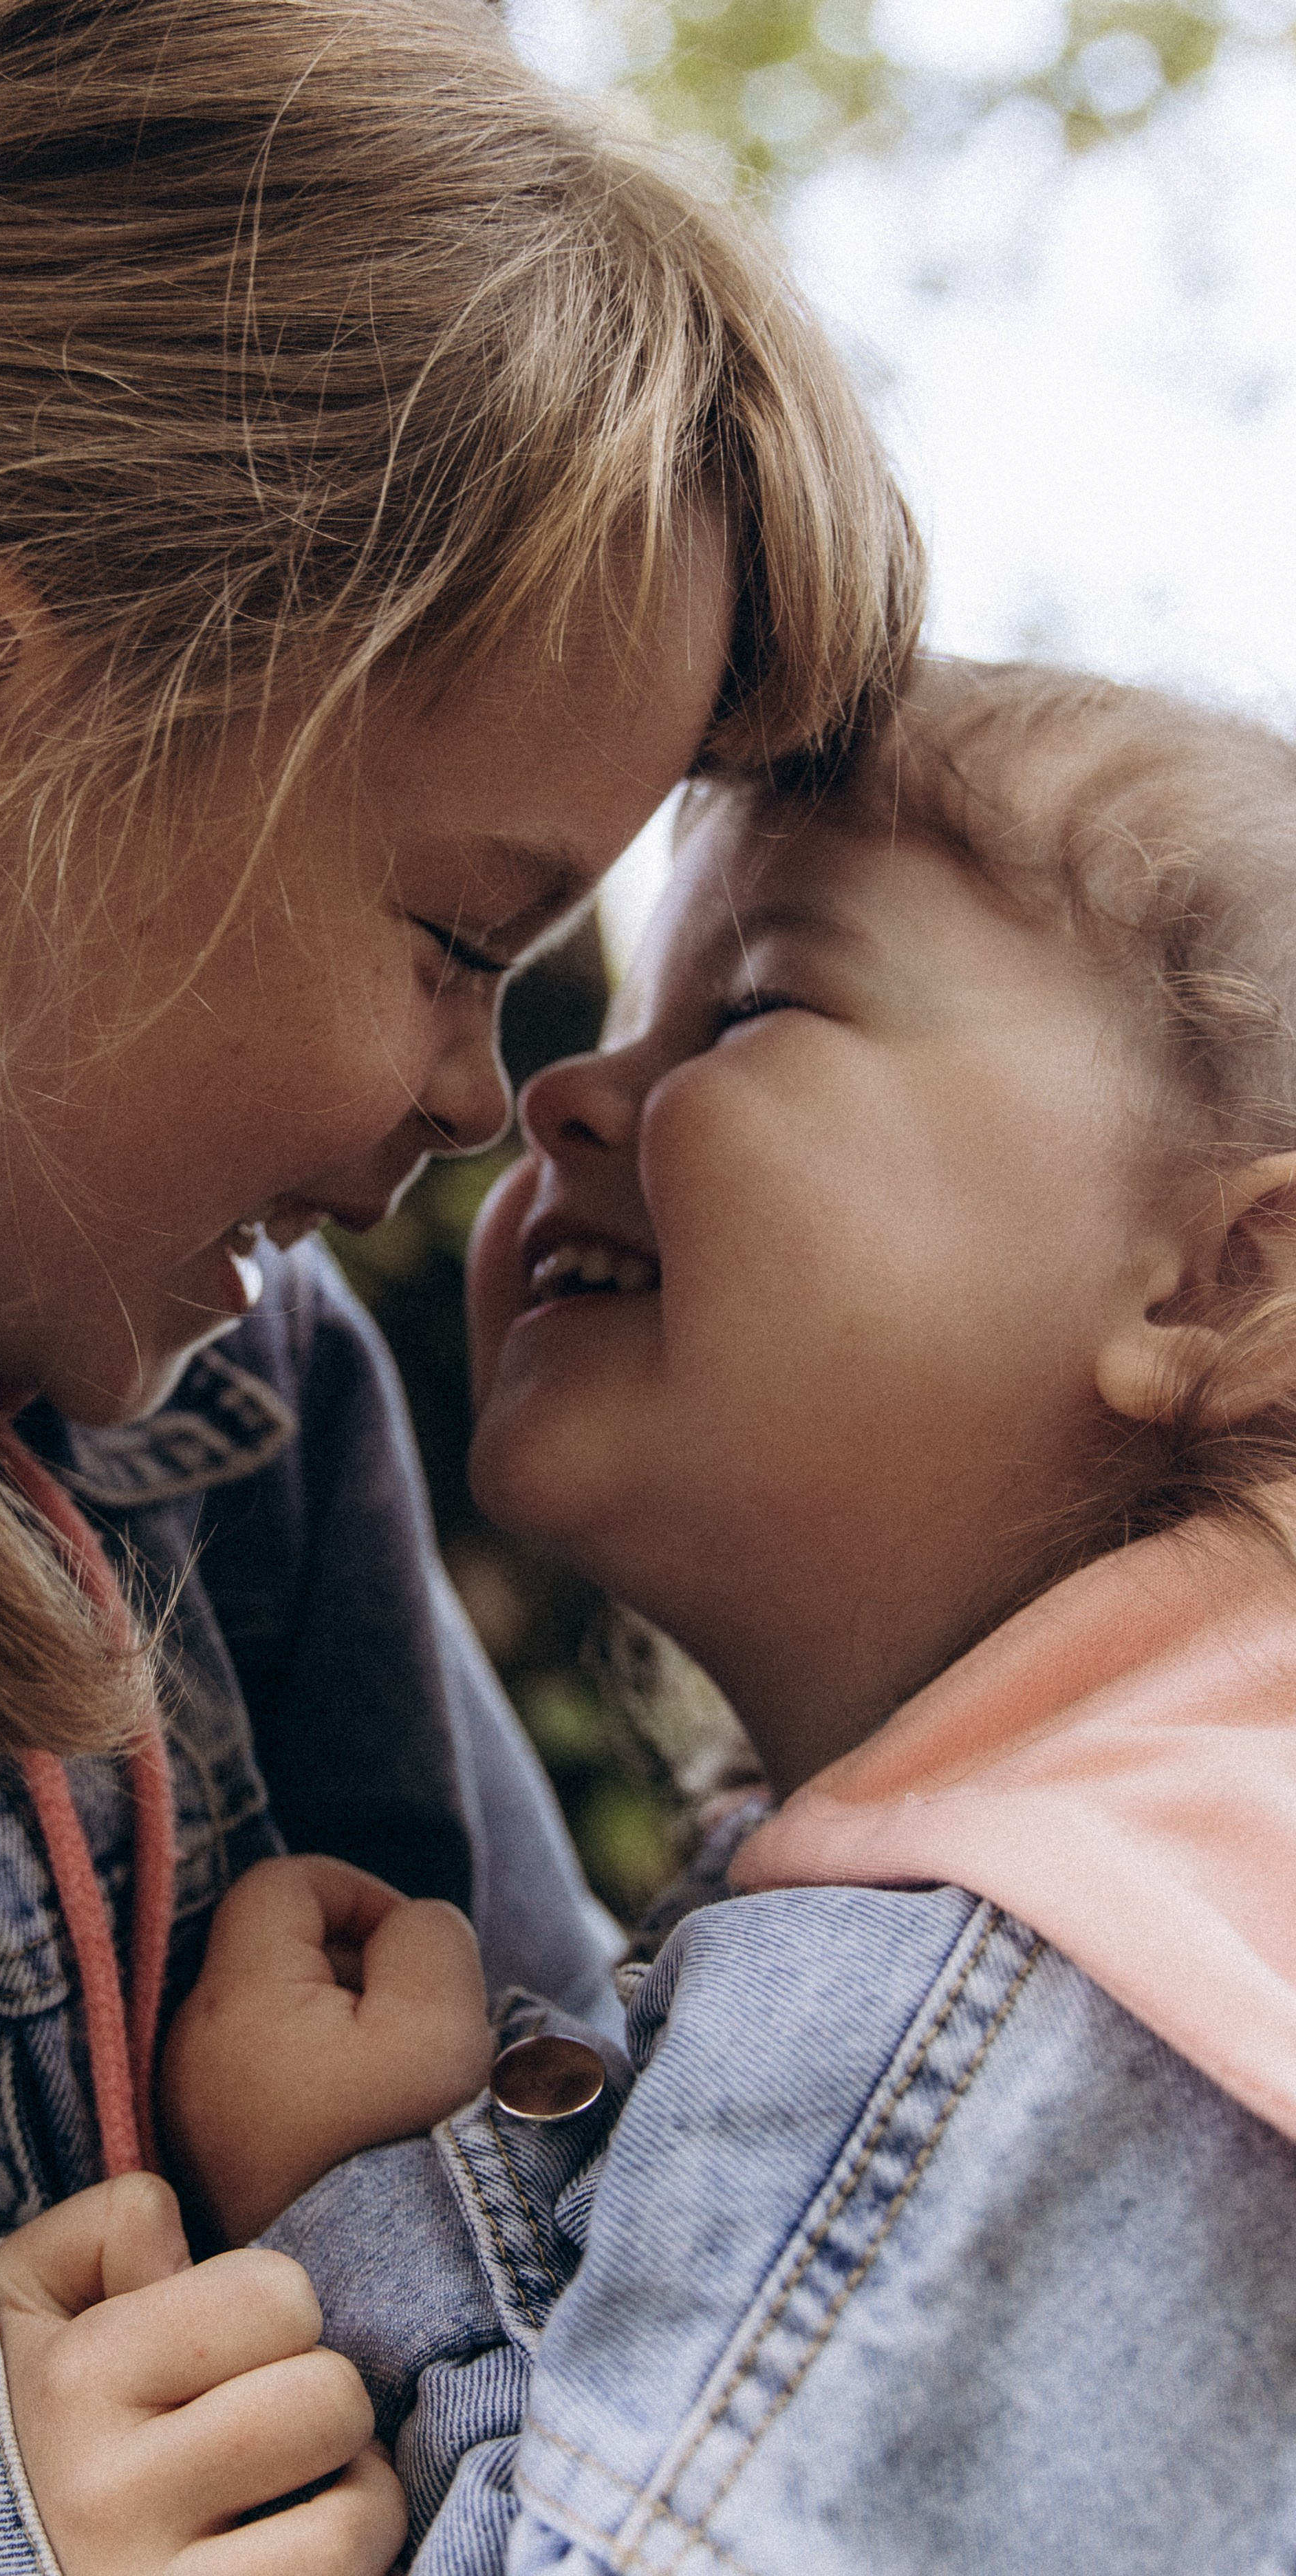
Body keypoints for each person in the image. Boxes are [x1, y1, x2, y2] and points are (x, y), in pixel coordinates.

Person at [0, 0, 925, 2565]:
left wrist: (398, 2179)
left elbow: (582, 2211)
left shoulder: (264, 1413)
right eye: (464, 938)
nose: (485, 1099)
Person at [168, 658, 1296, 2572]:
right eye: (625, 1016)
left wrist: (345, 2216)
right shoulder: (1191, 1896)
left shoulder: (1025, 1983)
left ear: (1220, 1278)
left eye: (757, 1002)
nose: (554, 1093)